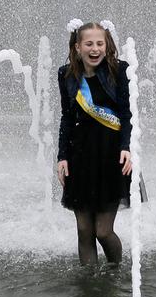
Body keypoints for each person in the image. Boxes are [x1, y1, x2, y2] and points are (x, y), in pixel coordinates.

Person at [57, 19, 132, 266]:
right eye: (89, 43)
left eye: (100, 43)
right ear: (78, 47)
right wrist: (62, 157)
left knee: (103, 231)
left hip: (112, 157)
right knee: (83, 230)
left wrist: (126, 148)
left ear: (107, 45)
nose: (95, 49)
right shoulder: (66, 75)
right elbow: (67, 117)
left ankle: (114, 272)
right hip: (80, 157)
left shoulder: (119, 71)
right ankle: (89, 285)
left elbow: (127, 114)